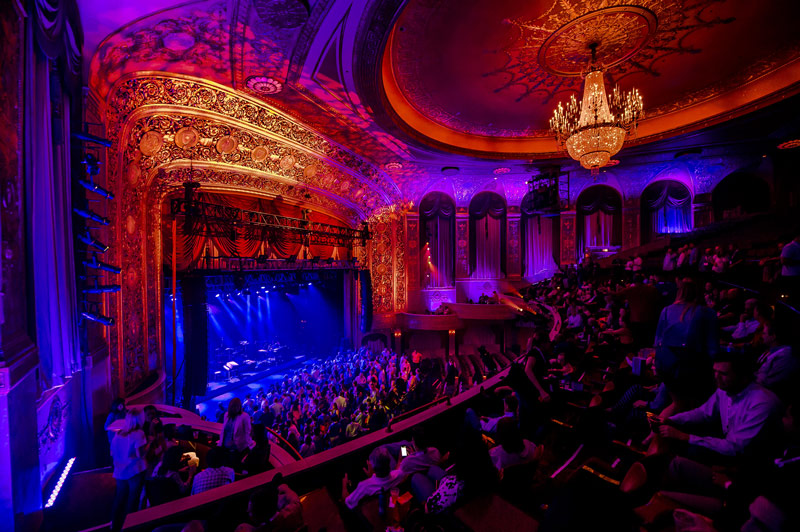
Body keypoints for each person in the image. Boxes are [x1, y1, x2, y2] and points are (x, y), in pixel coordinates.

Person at [658, 352, 782, 459]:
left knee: (684, 450)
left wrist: (684, 437)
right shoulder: (724, 390)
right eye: (715, 371)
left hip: (753, 461)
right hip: (731, 448)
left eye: (723, 374)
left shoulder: (761, 402)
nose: (716, 377)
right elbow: (704, 413)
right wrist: (671, 420)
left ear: (743, 376)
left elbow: (736, 448)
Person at [654, 278, 718, 410]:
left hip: (667, 365)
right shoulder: (708, 313)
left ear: (680, 293)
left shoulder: (666, 310)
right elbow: (713, 349)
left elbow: (657, 341)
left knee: (672, 402)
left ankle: (654, 414)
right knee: (685, 405)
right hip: (694, 368)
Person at [110, 408, 148, 532]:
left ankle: (114, 526)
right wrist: (150, 445)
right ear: (139, 419)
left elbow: (112, 452)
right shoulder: (139, 433)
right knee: (133, 499)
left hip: (120, 470)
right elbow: (141, 454)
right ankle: (130, 527)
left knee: (119, 499)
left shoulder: (119, 433)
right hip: (135, 470)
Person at [221, 397, 254, 462]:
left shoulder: (245, 416)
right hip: (225, 447)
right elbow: (223, 431)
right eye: (233, 406)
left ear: (239, 407)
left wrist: (250, 445)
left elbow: (248, 432)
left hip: (238, 449)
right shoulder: (226, 415)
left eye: (236, 406)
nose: (235, 408)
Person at [780, 233, 800, 303]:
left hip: (795, 275)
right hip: (791, 276)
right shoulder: (789, 246)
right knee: (792, 298)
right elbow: (783, 260)